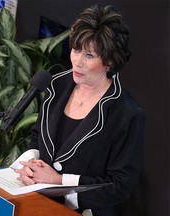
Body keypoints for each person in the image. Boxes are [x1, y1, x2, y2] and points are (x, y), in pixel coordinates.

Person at [15, 4, 145, 216]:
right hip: (38, 204)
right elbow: (37, 137)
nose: (77, 62)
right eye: (76, 50)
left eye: (89, 55)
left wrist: (59, 182)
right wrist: (31, 164)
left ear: (110, 60)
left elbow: (120, 186)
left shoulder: (127, 114)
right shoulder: (57, 85)